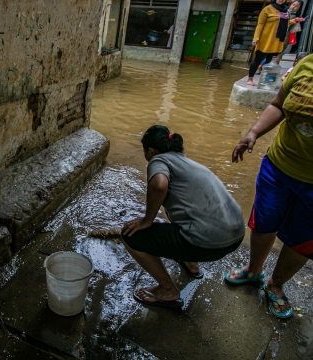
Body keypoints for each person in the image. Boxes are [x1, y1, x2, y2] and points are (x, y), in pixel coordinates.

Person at [225, 54, 313, 319]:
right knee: (264, 222)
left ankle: (276, 284)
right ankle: (253, 269)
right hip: (278, 166)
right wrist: (252, 133)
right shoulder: (306, 64)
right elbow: (278, 104)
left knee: (303, 240)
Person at [121, 125, 245, 308]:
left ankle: (167, 290)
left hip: (209, 243)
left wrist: (147, 220)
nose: (146, 156)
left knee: (129, 235)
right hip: (234, 236)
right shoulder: (186, 163)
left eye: (145, 151)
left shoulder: (158, 160)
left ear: (152, 150)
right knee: (176, 213)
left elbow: (159, 185)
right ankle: (191, 263)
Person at [246, 0, 304, 86]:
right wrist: (256, 38)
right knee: (258, 59)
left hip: (277, 40)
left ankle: (264, 79)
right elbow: (260, 24)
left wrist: (293, 21)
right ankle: (250, 79)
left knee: (270, 61)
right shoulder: (267, 9)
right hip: (266, 39)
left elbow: (285, 24)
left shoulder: (285, 10)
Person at [276, 0, 303, 65]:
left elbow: (295, 30)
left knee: (278, 53)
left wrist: (296, 22)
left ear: (299, 9)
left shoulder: (297, 17)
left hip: (285, 37)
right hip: (276, 34)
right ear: (290, 4)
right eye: (293, 5)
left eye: (296, 6)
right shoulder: (282, 11)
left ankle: (271, 68)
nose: (293, 7)